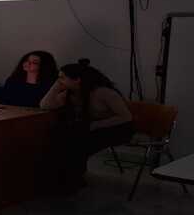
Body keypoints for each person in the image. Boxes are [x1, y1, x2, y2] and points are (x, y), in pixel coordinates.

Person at [40, 59, 133, 192]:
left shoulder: (103, 92)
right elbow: (45, 105)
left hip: (116, 128)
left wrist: (95, 125)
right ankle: (58, 178)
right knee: (59, 135)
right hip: (90, 127)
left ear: (77, 80)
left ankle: (72, 180)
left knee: (78, 142)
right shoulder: (70, 94)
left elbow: (126, 117)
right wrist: (55, 87)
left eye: (62, 77)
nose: (59, 80)